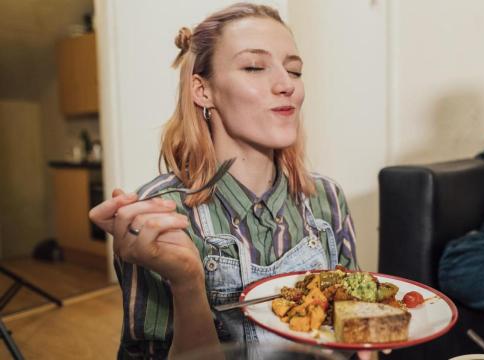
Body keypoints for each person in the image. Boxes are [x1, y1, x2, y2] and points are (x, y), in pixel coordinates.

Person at [88, 3, 360, 358]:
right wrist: (188, 281)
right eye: (254, 67)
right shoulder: (161, 216)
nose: (286, 85)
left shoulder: (328, 198)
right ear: (203, 90)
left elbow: (353, 326)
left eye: (294, 71)